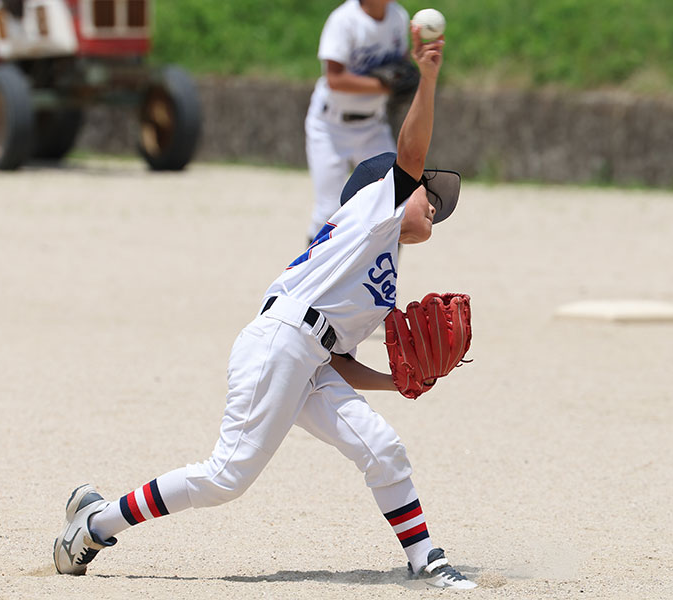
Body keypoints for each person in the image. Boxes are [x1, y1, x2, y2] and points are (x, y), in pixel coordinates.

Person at [53, 26, 476, 590]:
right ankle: (95, 523)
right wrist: (426, 78)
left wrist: (395, 383)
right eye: (428, 192)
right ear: (393, 188)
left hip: (309, 357)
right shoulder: (375, 211)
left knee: (383, 448)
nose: (434, 205)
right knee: (226, 477)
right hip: (280, 342)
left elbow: (339, 361)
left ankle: (425, 557)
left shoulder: (378, 268)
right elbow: (410, 153)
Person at [304, 0, 411, 243]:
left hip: (373, 126)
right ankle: (311, 279)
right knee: (328, 212)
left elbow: (400, 62)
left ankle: (380, 278)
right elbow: (334, 78)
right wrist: (385, 86)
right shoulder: (344, 20)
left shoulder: (398, 16)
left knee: (394, 202)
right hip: (330, 127)